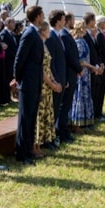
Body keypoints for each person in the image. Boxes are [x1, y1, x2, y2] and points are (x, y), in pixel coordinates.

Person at [14, 5, 45, 165]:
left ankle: (28, 149)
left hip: (35, 82)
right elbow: (20, 58)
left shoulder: (35, 33)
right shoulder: (29, 33)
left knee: (31, 118)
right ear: (37, 16)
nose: (44, 17)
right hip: (28, 82)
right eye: (42, 15)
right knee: (25, 119)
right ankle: (22, 152)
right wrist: (18, 79)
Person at [34, 21, 63, 157]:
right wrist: (52, 84)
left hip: (48, 85)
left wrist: (55, 81)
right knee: (39, 115)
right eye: (48, 30)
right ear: (43, 31)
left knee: (47, 112)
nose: (50, 32)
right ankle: (35, 144)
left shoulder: (44, 45)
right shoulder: (39, 45)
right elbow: (41, 69)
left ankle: (43, 142)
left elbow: (48, 67)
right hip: (41, 84)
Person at [58, 12, 83, 143]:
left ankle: (64, 130)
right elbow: (69, 56)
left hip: (71, 72)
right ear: (67, 21)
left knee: (67, 104)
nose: (74, 22)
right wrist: (79, 68)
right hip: (68, 72)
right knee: (64, 104)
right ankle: (61, 131)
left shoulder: (67, 34)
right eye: (73, 20)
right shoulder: (64, 35)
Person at [70, 20, 96, 132]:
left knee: (85, 95)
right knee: (79, 96)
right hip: (81, 74)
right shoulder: (79, 42)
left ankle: (85, 121)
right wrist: (92, 67)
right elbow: (80, 61)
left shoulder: (82, 41)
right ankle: (77, 123)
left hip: (85, 74)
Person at [45, 10, 67, 146]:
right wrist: (56, 81)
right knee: (52, 110)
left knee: (57, 109)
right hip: (55, 80)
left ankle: (53, 135)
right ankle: (50, 137)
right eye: (63, 19)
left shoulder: (58, 35)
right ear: (58, 21)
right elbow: (51, 63)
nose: (65, 22)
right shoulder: (52, 37)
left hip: (61, 79)